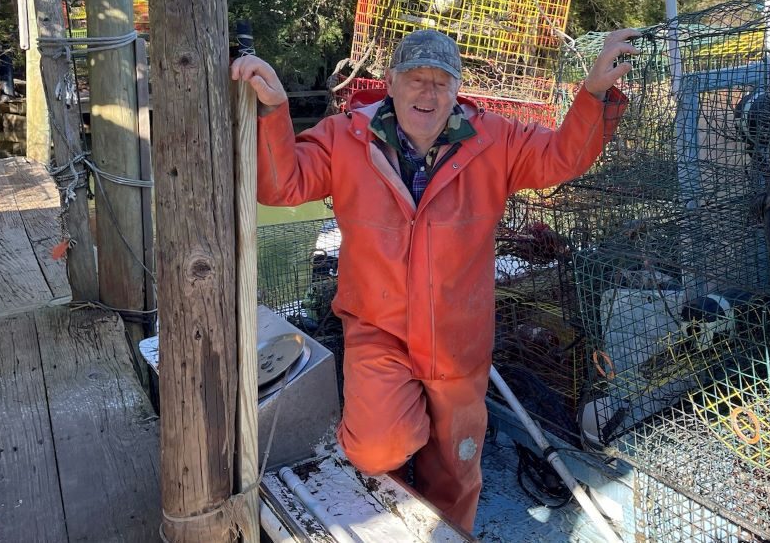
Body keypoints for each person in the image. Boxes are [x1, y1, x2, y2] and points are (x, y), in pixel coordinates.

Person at [231, 28, 638, 532]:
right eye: (415, 79)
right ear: (390, 84)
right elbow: (281, 183)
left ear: (457, 89)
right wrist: (272, 110)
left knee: (456, 469)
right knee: (379, 446)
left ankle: (448, 526)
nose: (427, 93)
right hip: (378, 327)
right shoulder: (344, 136)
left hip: (459, 337)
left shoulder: (496, 138)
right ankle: (408, 441)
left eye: (441, 82)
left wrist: (594, 93)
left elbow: (562, 156)